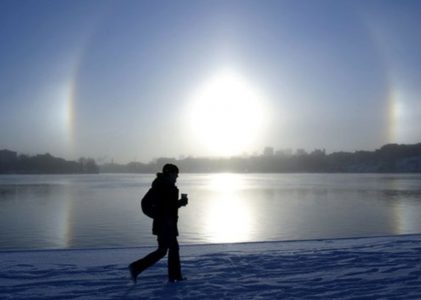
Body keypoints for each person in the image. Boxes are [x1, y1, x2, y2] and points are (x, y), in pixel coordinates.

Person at [129, 163, 188, 283]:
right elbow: (145, 204)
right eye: (176, 174)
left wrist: (179, 203)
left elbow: (168, 206)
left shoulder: (168, 186)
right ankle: (136, 267)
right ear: (170, 174)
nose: (177, 176)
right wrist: (158, 216)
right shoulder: (161, 186)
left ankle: (174, 276)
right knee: (168, 250)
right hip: (164, 225)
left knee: (167, 250)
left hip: (169, 224)